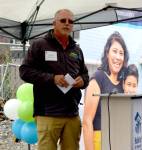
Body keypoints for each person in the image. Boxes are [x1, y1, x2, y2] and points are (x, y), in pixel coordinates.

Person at [19, 9, 89, 150]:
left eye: (71, 21)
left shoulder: (76, 50)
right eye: (63, 20)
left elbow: (85, 74)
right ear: (54, 23)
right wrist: (52, 78)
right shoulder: (39, 45)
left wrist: (83, 80)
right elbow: (24, 71)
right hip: (48, 113)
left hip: (72, 113)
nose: (67, 24)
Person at [83, 31, 129, 150]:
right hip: (99, 141)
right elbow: (87, 122)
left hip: (117, 141)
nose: (118, 57)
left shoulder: (123, 83)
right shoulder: (98, 78)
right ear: (107, 53)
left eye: (121, 53)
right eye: (114, 51)